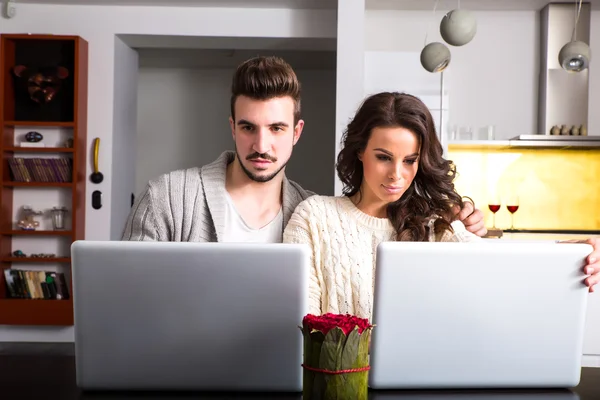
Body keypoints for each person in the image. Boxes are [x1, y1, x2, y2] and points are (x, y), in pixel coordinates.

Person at [283, 91, 600, 321]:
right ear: (359, 152)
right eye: (383, 157)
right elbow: (297, 325)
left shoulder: (436, 223)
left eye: (410, 161)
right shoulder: (314, 216)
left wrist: (570, 253)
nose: (397, 174)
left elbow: (502, 270)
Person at [121, 56, 486, 242]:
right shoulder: (168, 197)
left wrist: (465, 221)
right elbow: (122, 299)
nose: (261, 145)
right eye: (248, 127)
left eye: (276, 128)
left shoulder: (310, 213)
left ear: (297, 132)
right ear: (232, 127)